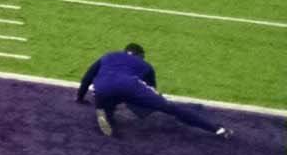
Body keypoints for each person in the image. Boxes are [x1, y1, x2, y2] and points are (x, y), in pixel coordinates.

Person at [78, 43, 230, 138]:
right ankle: (216, 129)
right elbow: (151, 92)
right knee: (170, 108)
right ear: (141, 55)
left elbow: (87, 77)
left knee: (106, 109)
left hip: (102, 89)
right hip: (129, 85)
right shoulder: (146, 66)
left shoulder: (108, 56)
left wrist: (79, 98)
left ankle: (105, 119)